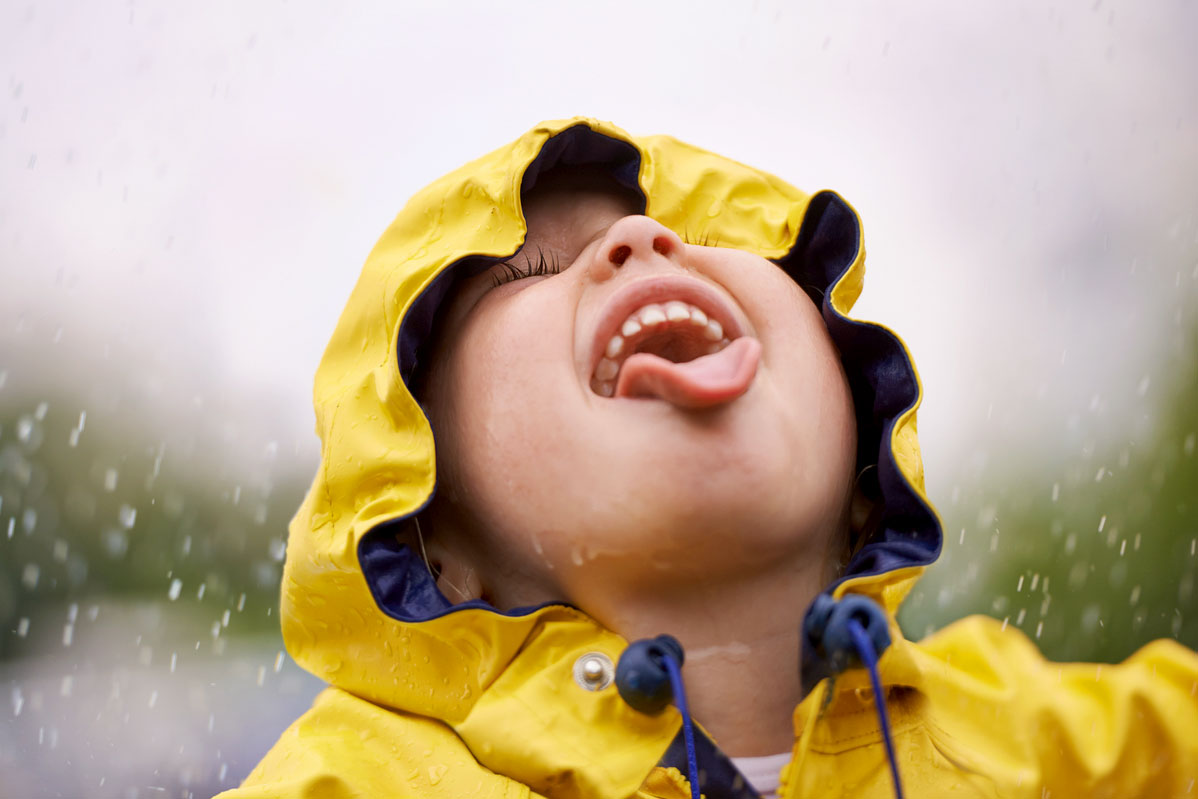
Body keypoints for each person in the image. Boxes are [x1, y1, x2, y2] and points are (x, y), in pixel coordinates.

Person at [217, 118, 1198, 799]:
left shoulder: (1050, 744)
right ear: (429, 538)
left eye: (713, 240)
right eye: (531, 271)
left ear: (862, 471)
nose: (643, 240)